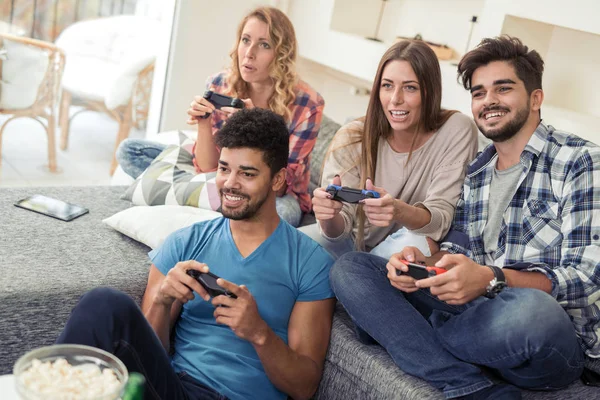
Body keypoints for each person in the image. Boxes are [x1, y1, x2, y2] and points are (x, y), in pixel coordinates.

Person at [330, 35, 600, 399]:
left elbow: (587, 279)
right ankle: (465, 382)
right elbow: (459, 251)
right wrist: (420, 265)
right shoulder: (478, 170)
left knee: (534, 313)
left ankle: (399, 330)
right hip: (476, 313)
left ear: (535, 98)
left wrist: (491, 278)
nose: (488, 100)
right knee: (352, 269)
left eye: (503, 89)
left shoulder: (580, 162)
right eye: (478, 92)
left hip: (544, 335)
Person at [58, 108, 336, 400]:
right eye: (224, 168)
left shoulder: (311, 263)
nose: (230, 183)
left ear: (278, 180)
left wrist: (259, 333)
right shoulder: (184, 243)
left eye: (247, 173)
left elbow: (304, 387)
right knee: (103, 303)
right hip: (175, 390)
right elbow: (150, 353)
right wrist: (163, 302)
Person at [116, 7, 324, 227]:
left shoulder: (307, 104)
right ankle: (220, 205)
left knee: (282, 216)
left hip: (274, 192)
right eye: (245, 40)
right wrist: (203, 124)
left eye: (264, 45)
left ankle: (200, 202)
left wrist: (254, 129)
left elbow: (279, 185)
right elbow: (206, 168)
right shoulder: (220, 84)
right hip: (220, 175)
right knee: (130, 151)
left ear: (282, 54)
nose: (249, 53)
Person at [308, 39, 478, 259]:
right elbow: (337, 233)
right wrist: (328, 216)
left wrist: (398, 210)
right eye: (387, 86)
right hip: (349, 244)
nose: (395, 99)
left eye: (410, 88)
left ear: (430, 93)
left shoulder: (456, 130)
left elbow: (440, 221)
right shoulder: (352, 137)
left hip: (404, 250)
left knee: (418, 241)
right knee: (286, 251)